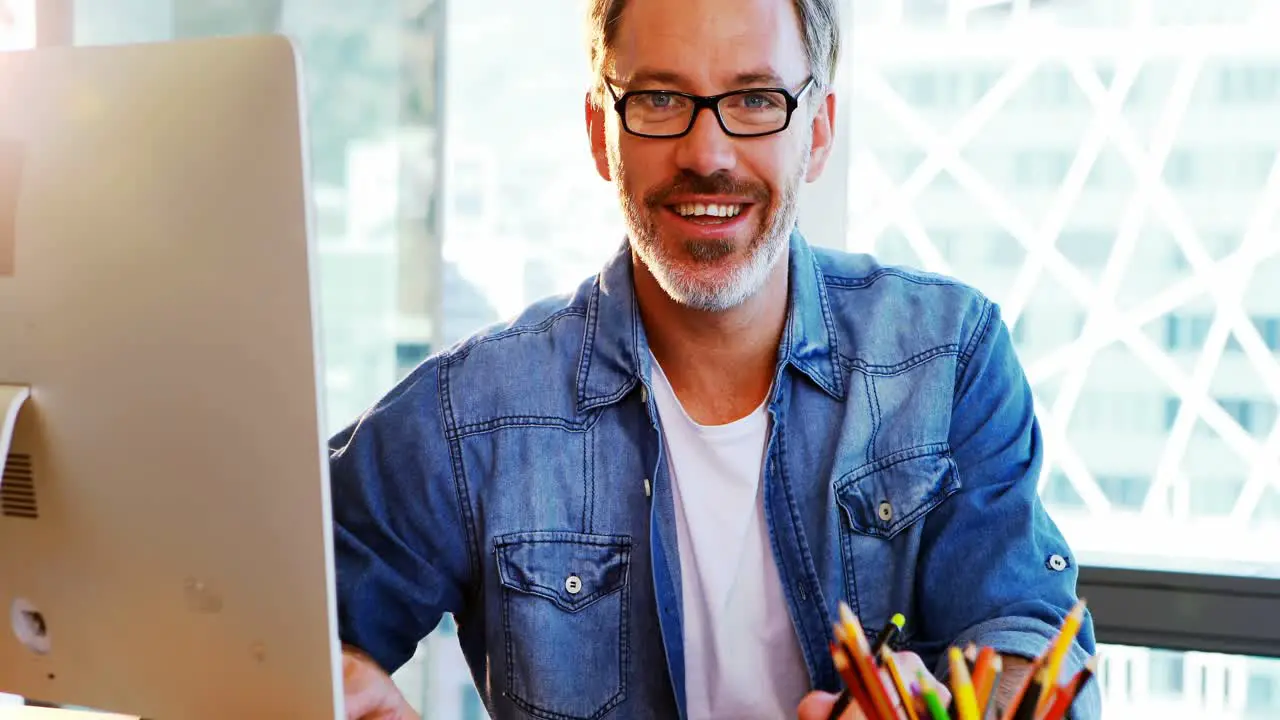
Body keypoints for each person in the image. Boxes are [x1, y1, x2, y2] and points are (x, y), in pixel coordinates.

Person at [331, 0, 1102, 718]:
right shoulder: (473, 412)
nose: (708, 153)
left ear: (820, 131)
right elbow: (258, 604)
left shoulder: (947, 358)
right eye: (660, 98)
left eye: (757, 98)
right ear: (601, 130)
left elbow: (1025, 634)